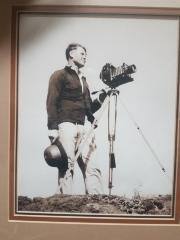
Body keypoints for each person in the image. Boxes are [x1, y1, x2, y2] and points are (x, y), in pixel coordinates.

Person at [46, 43, 106, 194]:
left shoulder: (84, 81)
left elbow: (89, 108)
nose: (85, 56)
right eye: (82, 53)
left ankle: (96, 201)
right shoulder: (59, 75)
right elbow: (51, 101)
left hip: (84, 126)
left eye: (86, 54)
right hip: (66, 125)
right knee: (66, 164)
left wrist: (101, 98)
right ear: (71, 54)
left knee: (92, 165)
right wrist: (52, 128)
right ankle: (65, 202)